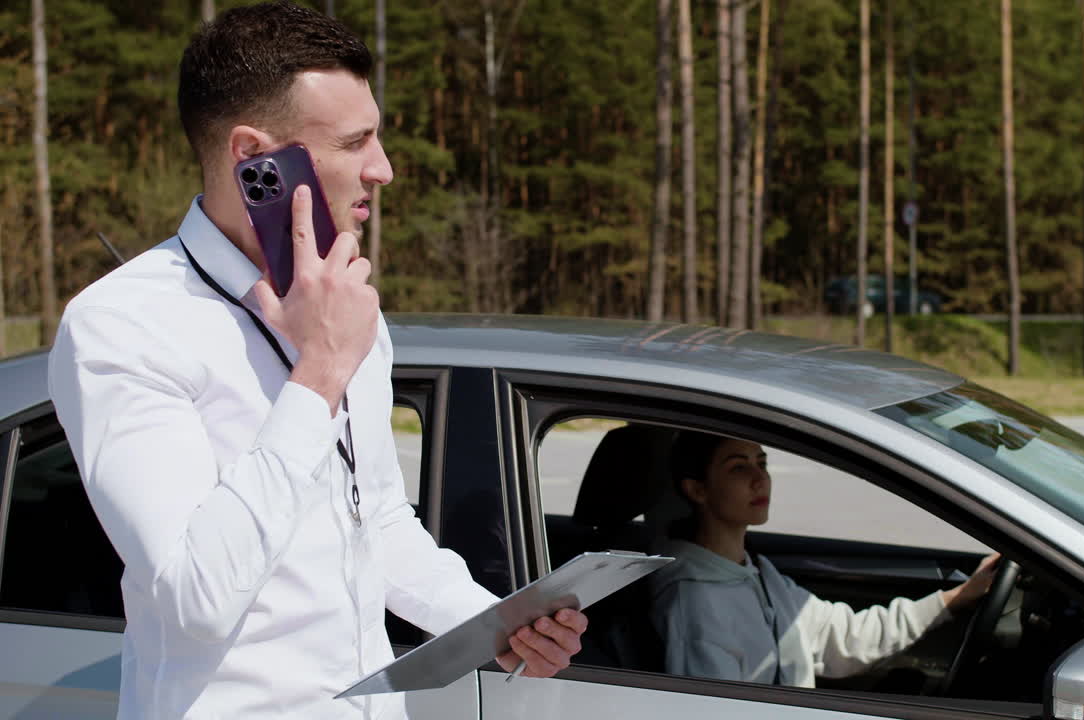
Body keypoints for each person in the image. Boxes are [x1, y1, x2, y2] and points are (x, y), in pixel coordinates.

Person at [47, 3, 584, 718]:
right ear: (254, 159)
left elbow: (378, 522)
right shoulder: (124, 325)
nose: (383, 170)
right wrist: (319, 375)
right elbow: (193, 599)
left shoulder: (346, 301)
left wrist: (493, 623)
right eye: (356, 141)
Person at [648, 430, 999, 688]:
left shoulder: (757, 574)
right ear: (697, 490)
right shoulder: (693, 603)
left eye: (762, 463)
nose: (761, 479)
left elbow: (842, 637)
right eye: (739, 468)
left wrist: (954, 599)